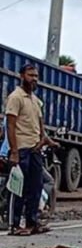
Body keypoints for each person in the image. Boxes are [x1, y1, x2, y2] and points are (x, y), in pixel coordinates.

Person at [4, 64, 55, 235]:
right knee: (18, 188)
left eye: (36, 76)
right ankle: (14, 224)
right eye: (30, 75)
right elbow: (10, 125)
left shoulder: (35, 100)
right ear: (21, 76)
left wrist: (44, 139)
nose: (34, 79)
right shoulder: (16, 97)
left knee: (35, 187)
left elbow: (40, 125)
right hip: (22, 149)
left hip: (35, 150)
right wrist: (14, 151)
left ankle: (32, 222)